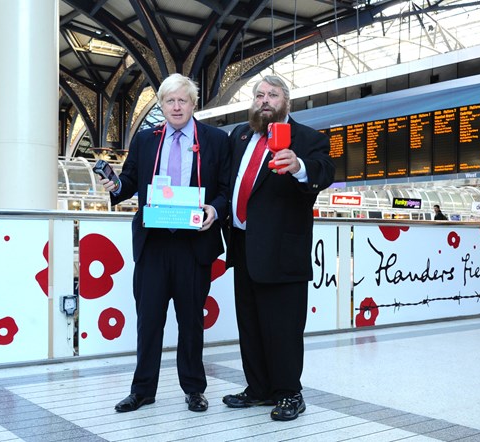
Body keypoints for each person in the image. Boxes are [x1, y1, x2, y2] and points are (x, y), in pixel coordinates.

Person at [99, 73, 230, 413]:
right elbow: (129, 182)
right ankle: (142, 390)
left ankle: (194, 389)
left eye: (182, 100)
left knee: (191, 323)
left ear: (193, 103)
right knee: (149, 321)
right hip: (153, 243)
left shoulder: (215, 140)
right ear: (161, 105)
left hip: (193, 244)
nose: (176, 106)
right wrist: (115, 186)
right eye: (169, 101)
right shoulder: (145, 140)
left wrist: (214, 211)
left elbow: (226, 191)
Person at [222, 75, 335, 421]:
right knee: (250, 323)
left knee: (284, 327)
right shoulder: (240, 135)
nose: (264, 100)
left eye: (272, 94)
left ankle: (289, 393)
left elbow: (324, 172)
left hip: (283, 250)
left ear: (286, 101)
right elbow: (228, 180)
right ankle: (258, 388)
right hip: (243, 245)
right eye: (259, 95)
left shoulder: (307, 139)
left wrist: (299, 167)